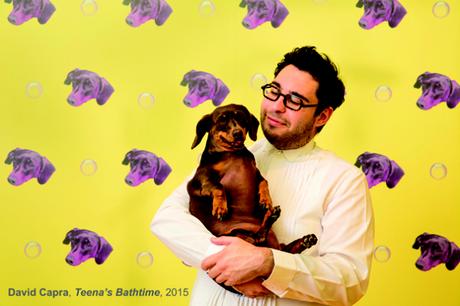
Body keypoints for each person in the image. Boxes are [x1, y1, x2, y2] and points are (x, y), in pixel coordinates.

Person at [151, 46, 374, 306]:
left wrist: (268, 263)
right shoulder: (229, 155)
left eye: (295, 100)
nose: (277, 107)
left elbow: (350, 280)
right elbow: (167, 218)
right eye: (274, 91)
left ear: (322, 116)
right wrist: (230, 265)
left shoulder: (344, 180)